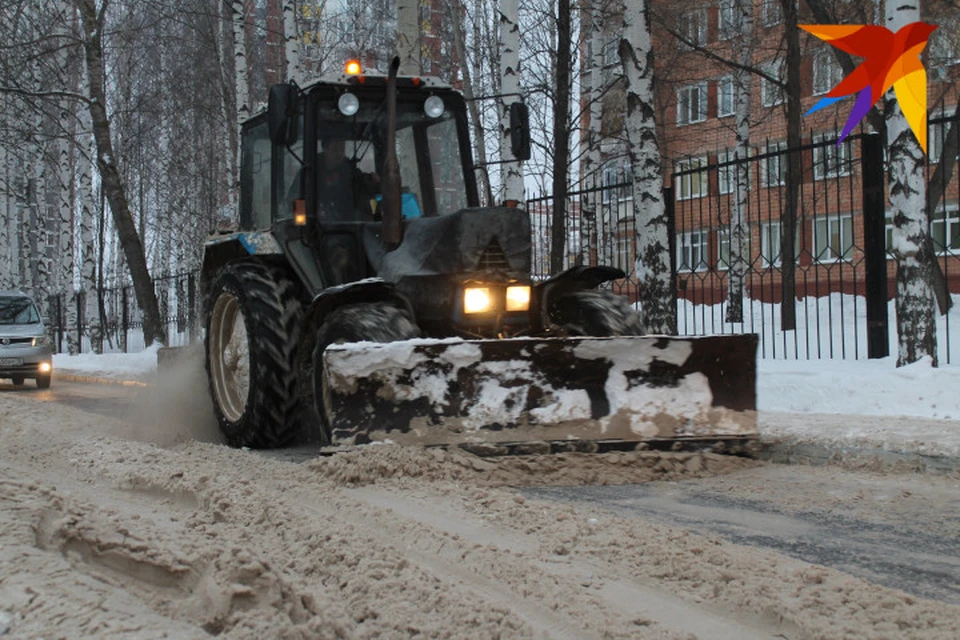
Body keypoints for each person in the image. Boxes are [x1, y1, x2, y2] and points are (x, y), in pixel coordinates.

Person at [316, 135, 379, 220]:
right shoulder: (311, 171)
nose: (339, 153)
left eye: (342, 148)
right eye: (335, 148)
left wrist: (374, 185)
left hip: (349, 226)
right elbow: (296, 196)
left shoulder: (353, 172)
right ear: (325, 148)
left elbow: (367, 200)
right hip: (317, 226)